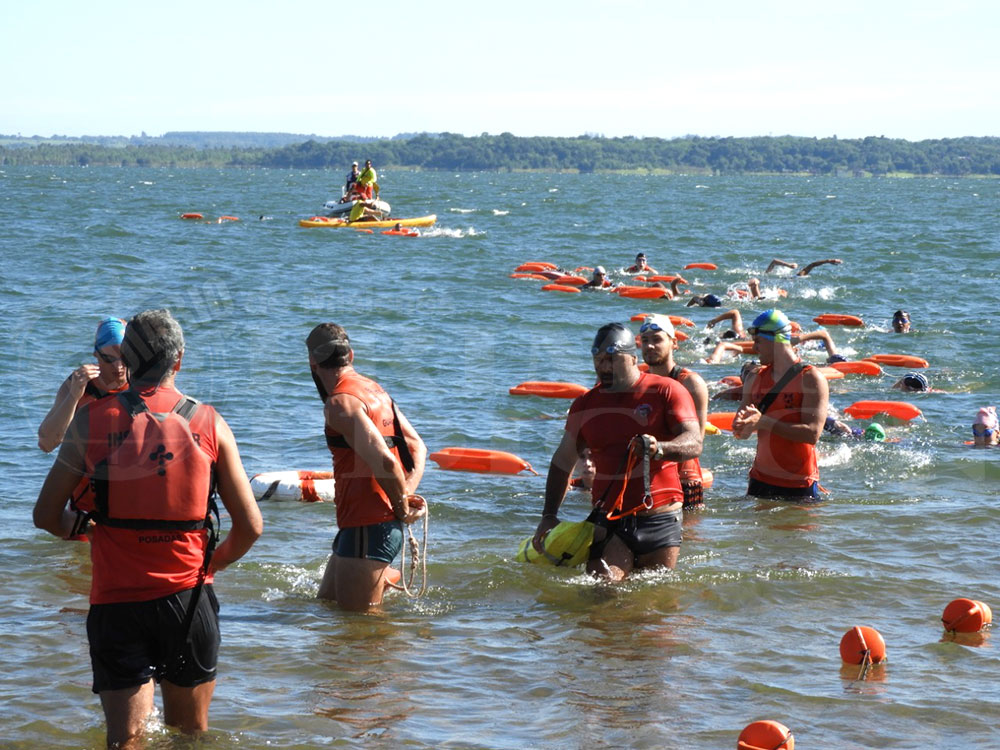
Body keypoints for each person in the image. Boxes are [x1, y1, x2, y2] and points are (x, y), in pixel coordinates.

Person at [33, 309, 263, 748]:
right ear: (178, 360)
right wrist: (209, 563)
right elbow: (251, 527)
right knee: (191, 737)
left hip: (117, 603)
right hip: (189, 599)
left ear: (127, 361)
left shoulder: (89, 422)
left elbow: (45, 516)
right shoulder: (209, 422)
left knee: (125, 740)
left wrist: (85, 525)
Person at [532, 323, 702, 579]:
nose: (604, 367)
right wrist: (548, 515)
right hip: (609, 521)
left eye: (612, 359)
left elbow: (694, 441)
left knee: (655, 605)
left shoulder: (666, 390)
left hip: (661, 519)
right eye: (598, 360)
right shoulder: (585, 404)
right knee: (602, 595)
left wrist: (660, 449)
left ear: (633, 358)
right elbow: (563, 460)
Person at [306, 323, 427, 611]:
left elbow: (385, 460)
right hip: (364, 527)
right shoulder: (374, 390)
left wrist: (399, 506)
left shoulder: (339, 404)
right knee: (326, 605)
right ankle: (382, 575)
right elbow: (418, 447)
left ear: (312, 361)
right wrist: (405, 495)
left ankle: (381, 579)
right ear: (351, 355)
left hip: (368, 528)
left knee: (363, 629)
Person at [732, 309, 829, 499]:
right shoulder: (754, 377)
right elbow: (741, 433)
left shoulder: (810, 378)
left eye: (758, 341)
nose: (754, 347)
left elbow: (812, 433)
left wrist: (764, 422)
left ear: (775, 340)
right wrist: (741, 427)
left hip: (799, 482)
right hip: (760, 479)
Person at [639, 314, 710, 508]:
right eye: (645, 341)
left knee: (687, 537)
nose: (650, 346)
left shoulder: (691, 383)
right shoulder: (639, 382)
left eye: (657, 339)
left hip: (684, 479)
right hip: (650, 476)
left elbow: (697, 441)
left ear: (674, 343)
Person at [38, 316, 129, 453]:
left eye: (124, 357)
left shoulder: (143, 382)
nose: (118, 367)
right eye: (108, 359)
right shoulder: (80, 383)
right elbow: (46, 444)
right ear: (96, 355)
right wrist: (73, 397)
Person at [766, 258, 843, 276]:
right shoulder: (797, 277)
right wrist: (789, 265)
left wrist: (828, 261)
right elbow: (774, 261)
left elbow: (812, 265)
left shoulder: (797, 276)